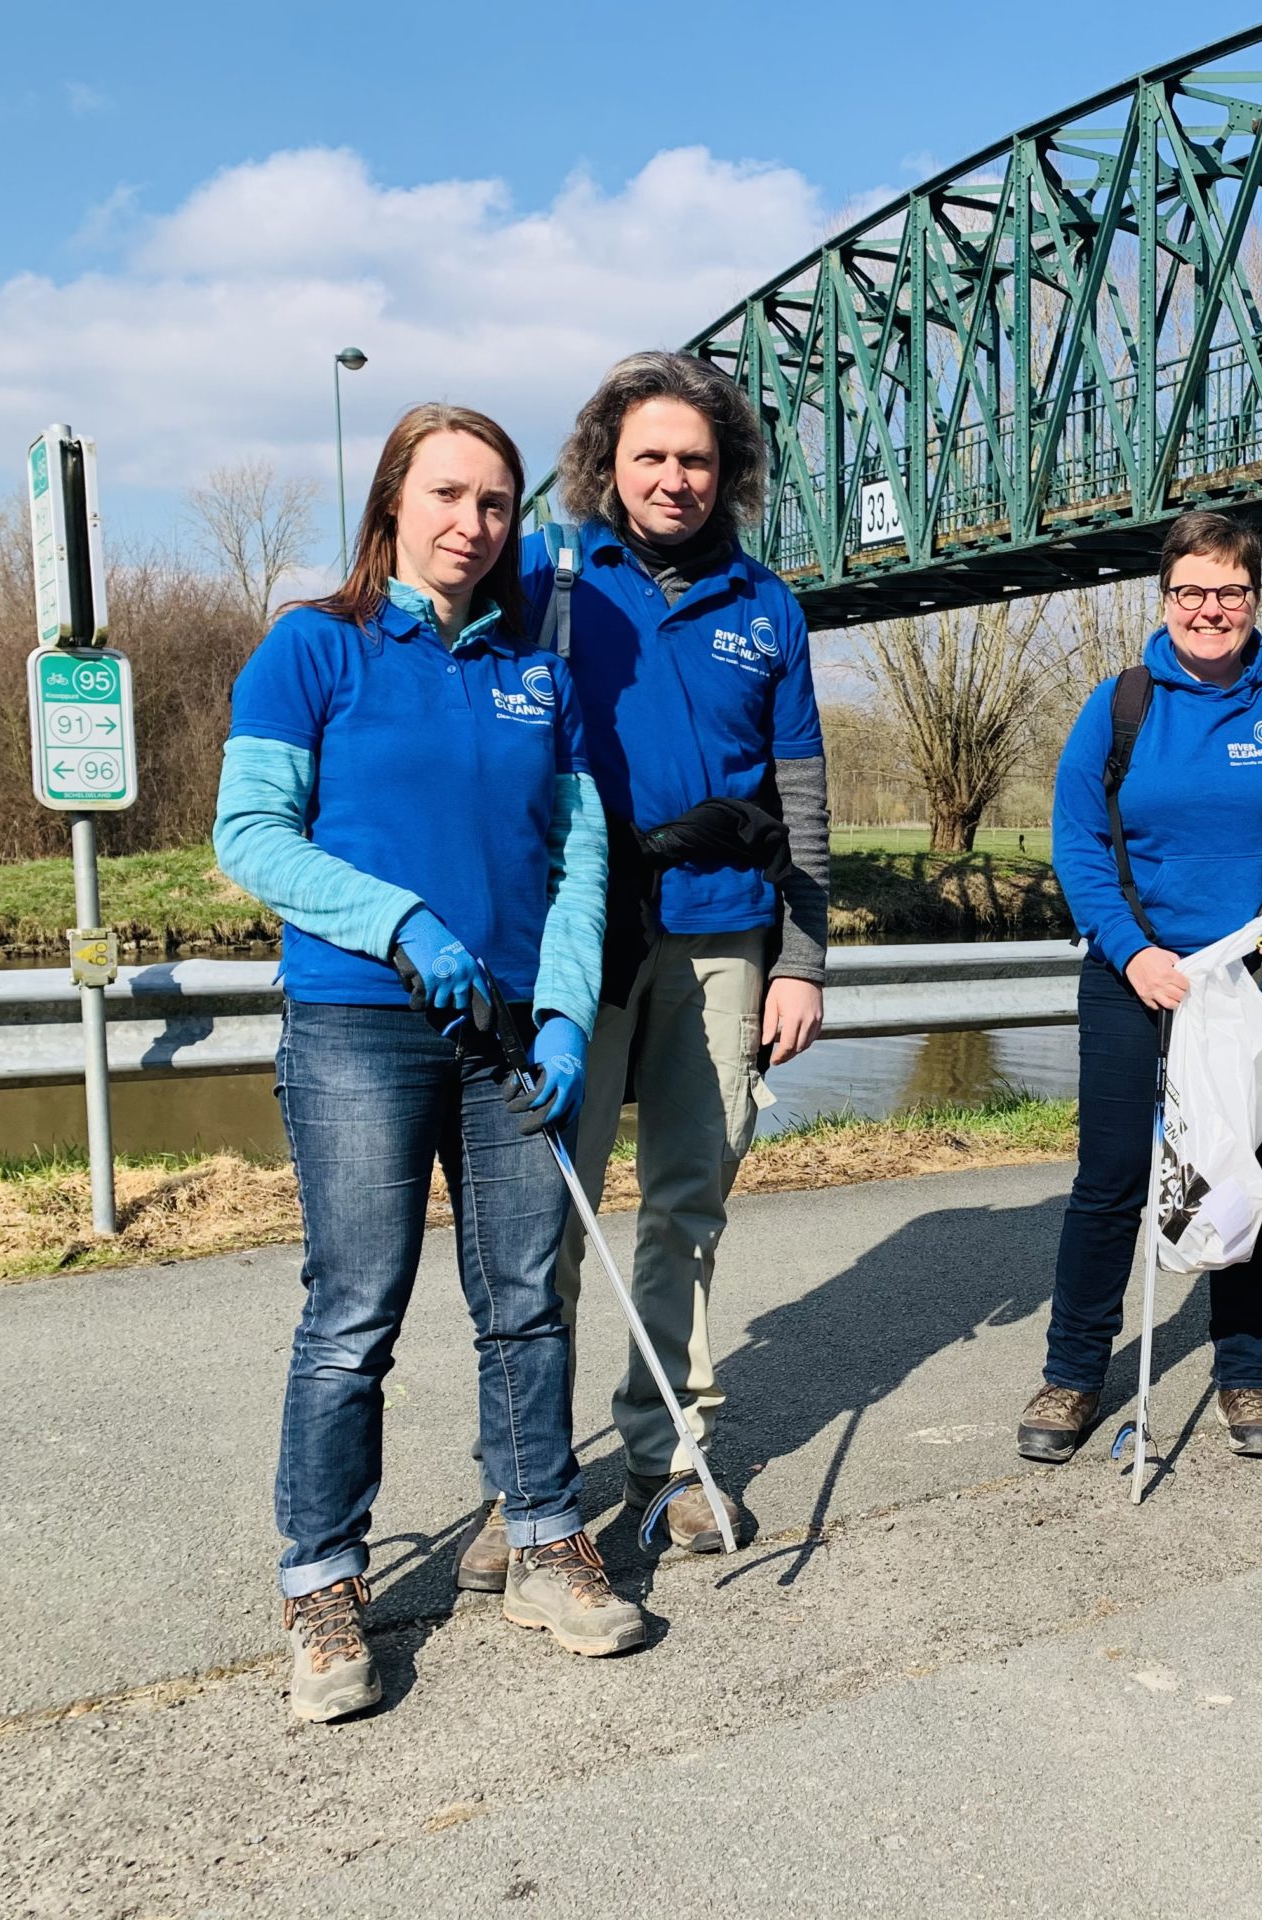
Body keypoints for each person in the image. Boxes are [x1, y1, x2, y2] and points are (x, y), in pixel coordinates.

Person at [215, 403, 640, 1725]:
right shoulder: (312, 649)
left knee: (525, 1296)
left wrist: (567, 1013)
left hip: (509, 1035)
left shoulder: (540, 675)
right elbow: (250, 835)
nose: (472, 524)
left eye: (497, 504)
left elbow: (579, 864)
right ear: (394, 502)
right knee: (356, 1313)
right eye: (448, 495)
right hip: (358, 1022)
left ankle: (544, 1539)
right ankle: (324, 1580)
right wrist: (394, 921)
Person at [450, 351, 831, 1589]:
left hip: (722, 935)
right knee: (546, 1208)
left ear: (729, 475)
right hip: (576, 932)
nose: (675, 478)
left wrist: (803, 961)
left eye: (698, 460)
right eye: (652, 456)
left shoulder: (766, 604)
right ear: (606, 465)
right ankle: (530, 1481)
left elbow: (801, 796)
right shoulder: (552, 573)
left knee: (686, 1201)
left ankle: (665, 1453)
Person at [1020, 511, 1262, 1465]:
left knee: (1244, 1177)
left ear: (1255, 600)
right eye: (1192, 591)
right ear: (1165, 598)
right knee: (1111, 1182)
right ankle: (1073, 1373)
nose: (1210, 609)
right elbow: (1079, 844)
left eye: (1230, 591)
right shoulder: (1121, 706)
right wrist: (1133, 952)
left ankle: (1247, 1369)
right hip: (1139, 977)